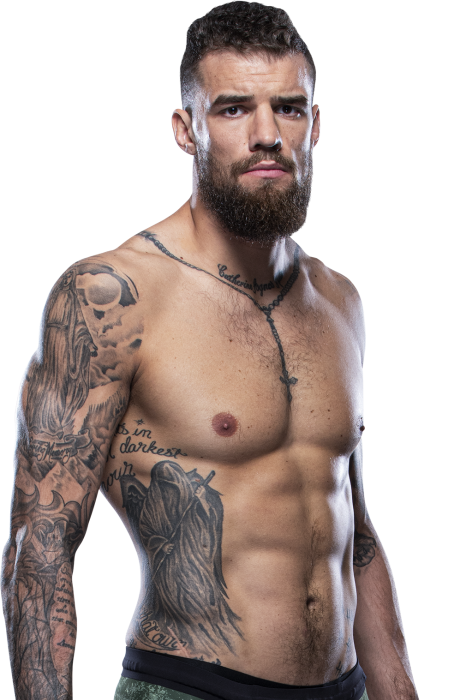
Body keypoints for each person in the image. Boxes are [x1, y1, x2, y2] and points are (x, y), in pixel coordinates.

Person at [1, 3, 418, 699]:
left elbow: (353, 529)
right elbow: (40, 550)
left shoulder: (339, 300)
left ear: (315, 125)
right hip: (191, 685)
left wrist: (398, 688)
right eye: (233, 109)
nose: (266, 134)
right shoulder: (113, 297)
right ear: (186, 129)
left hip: (342, 685)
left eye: (288, 108)